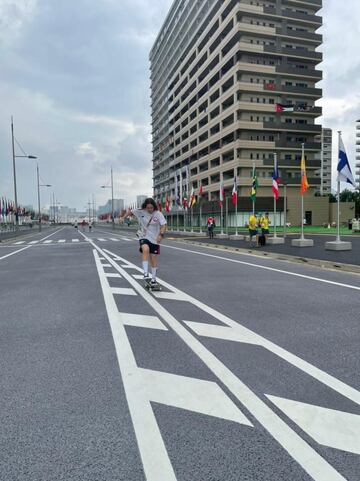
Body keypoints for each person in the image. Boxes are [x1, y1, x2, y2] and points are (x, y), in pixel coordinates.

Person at [121, 198, 167, 288]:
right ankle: (145, 273)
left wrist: (161, 235)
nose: (150, 209)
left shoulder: (158, 214)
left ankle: (153, 279)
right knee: (145, 249)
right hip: (144, 236)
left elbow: (163, 225)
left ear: (154, 206)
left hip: (155, 239)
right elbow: (130, 212)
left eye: (151, 207)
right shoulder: (141, 212)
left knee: (153, 260)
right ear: (145, 207)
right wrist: (123, 217)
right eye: (148, 208)